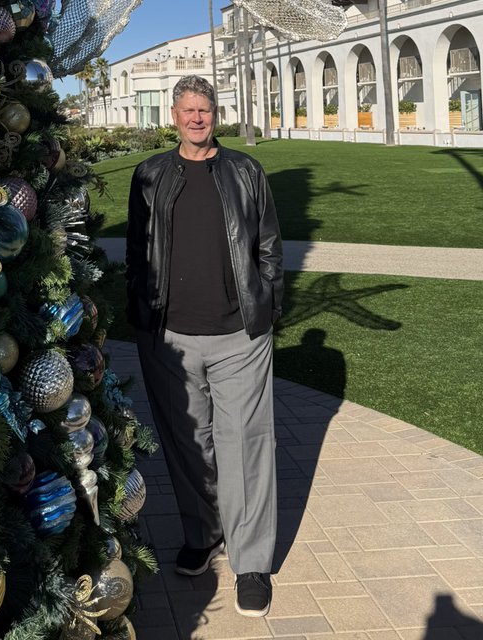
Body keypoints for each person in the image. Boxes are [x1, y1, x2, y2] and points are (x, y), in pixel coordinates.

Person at [126, 75, 282, 618]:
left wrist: (267, 306)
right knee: (188, 446)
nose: (197, 119)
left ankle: (252, 563)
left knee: (245, 446)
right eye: (188, 110)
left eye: (206, 110)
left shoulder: (246, 171)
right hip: (170, 339)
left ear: (216, 115)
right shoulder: (150, 174)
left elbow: (268, 246)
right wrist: (141, 310)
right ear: (173, 116)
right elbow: (138, 250)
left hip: (239, 335)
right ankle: (203, 533)